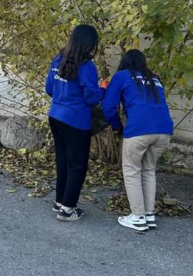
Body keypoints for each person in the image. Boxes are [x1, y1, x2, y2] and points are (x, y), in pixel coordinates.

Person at [103, 49, 174, 232]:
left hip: (139, 130)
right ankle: (149, 215)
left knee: (132, 171)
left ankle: (137, 217)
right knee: (149, 170)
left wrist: (117, 126)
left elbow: (108, 107)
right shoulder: (155, 78)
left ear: (125, 62)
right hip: (164, 131)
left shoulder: (122, 76)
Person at [44, 24, 104, 222]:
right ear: (90, 44)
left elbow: (49, 89)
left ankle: (60, 202)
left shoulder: (57, 59)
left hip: (56, 116)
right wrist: (103, 89)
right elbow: (92, 98)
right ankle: (68, 209)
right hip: (76, 120)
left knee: (63, 160)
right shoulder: (86, 66)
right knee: (77, 164)